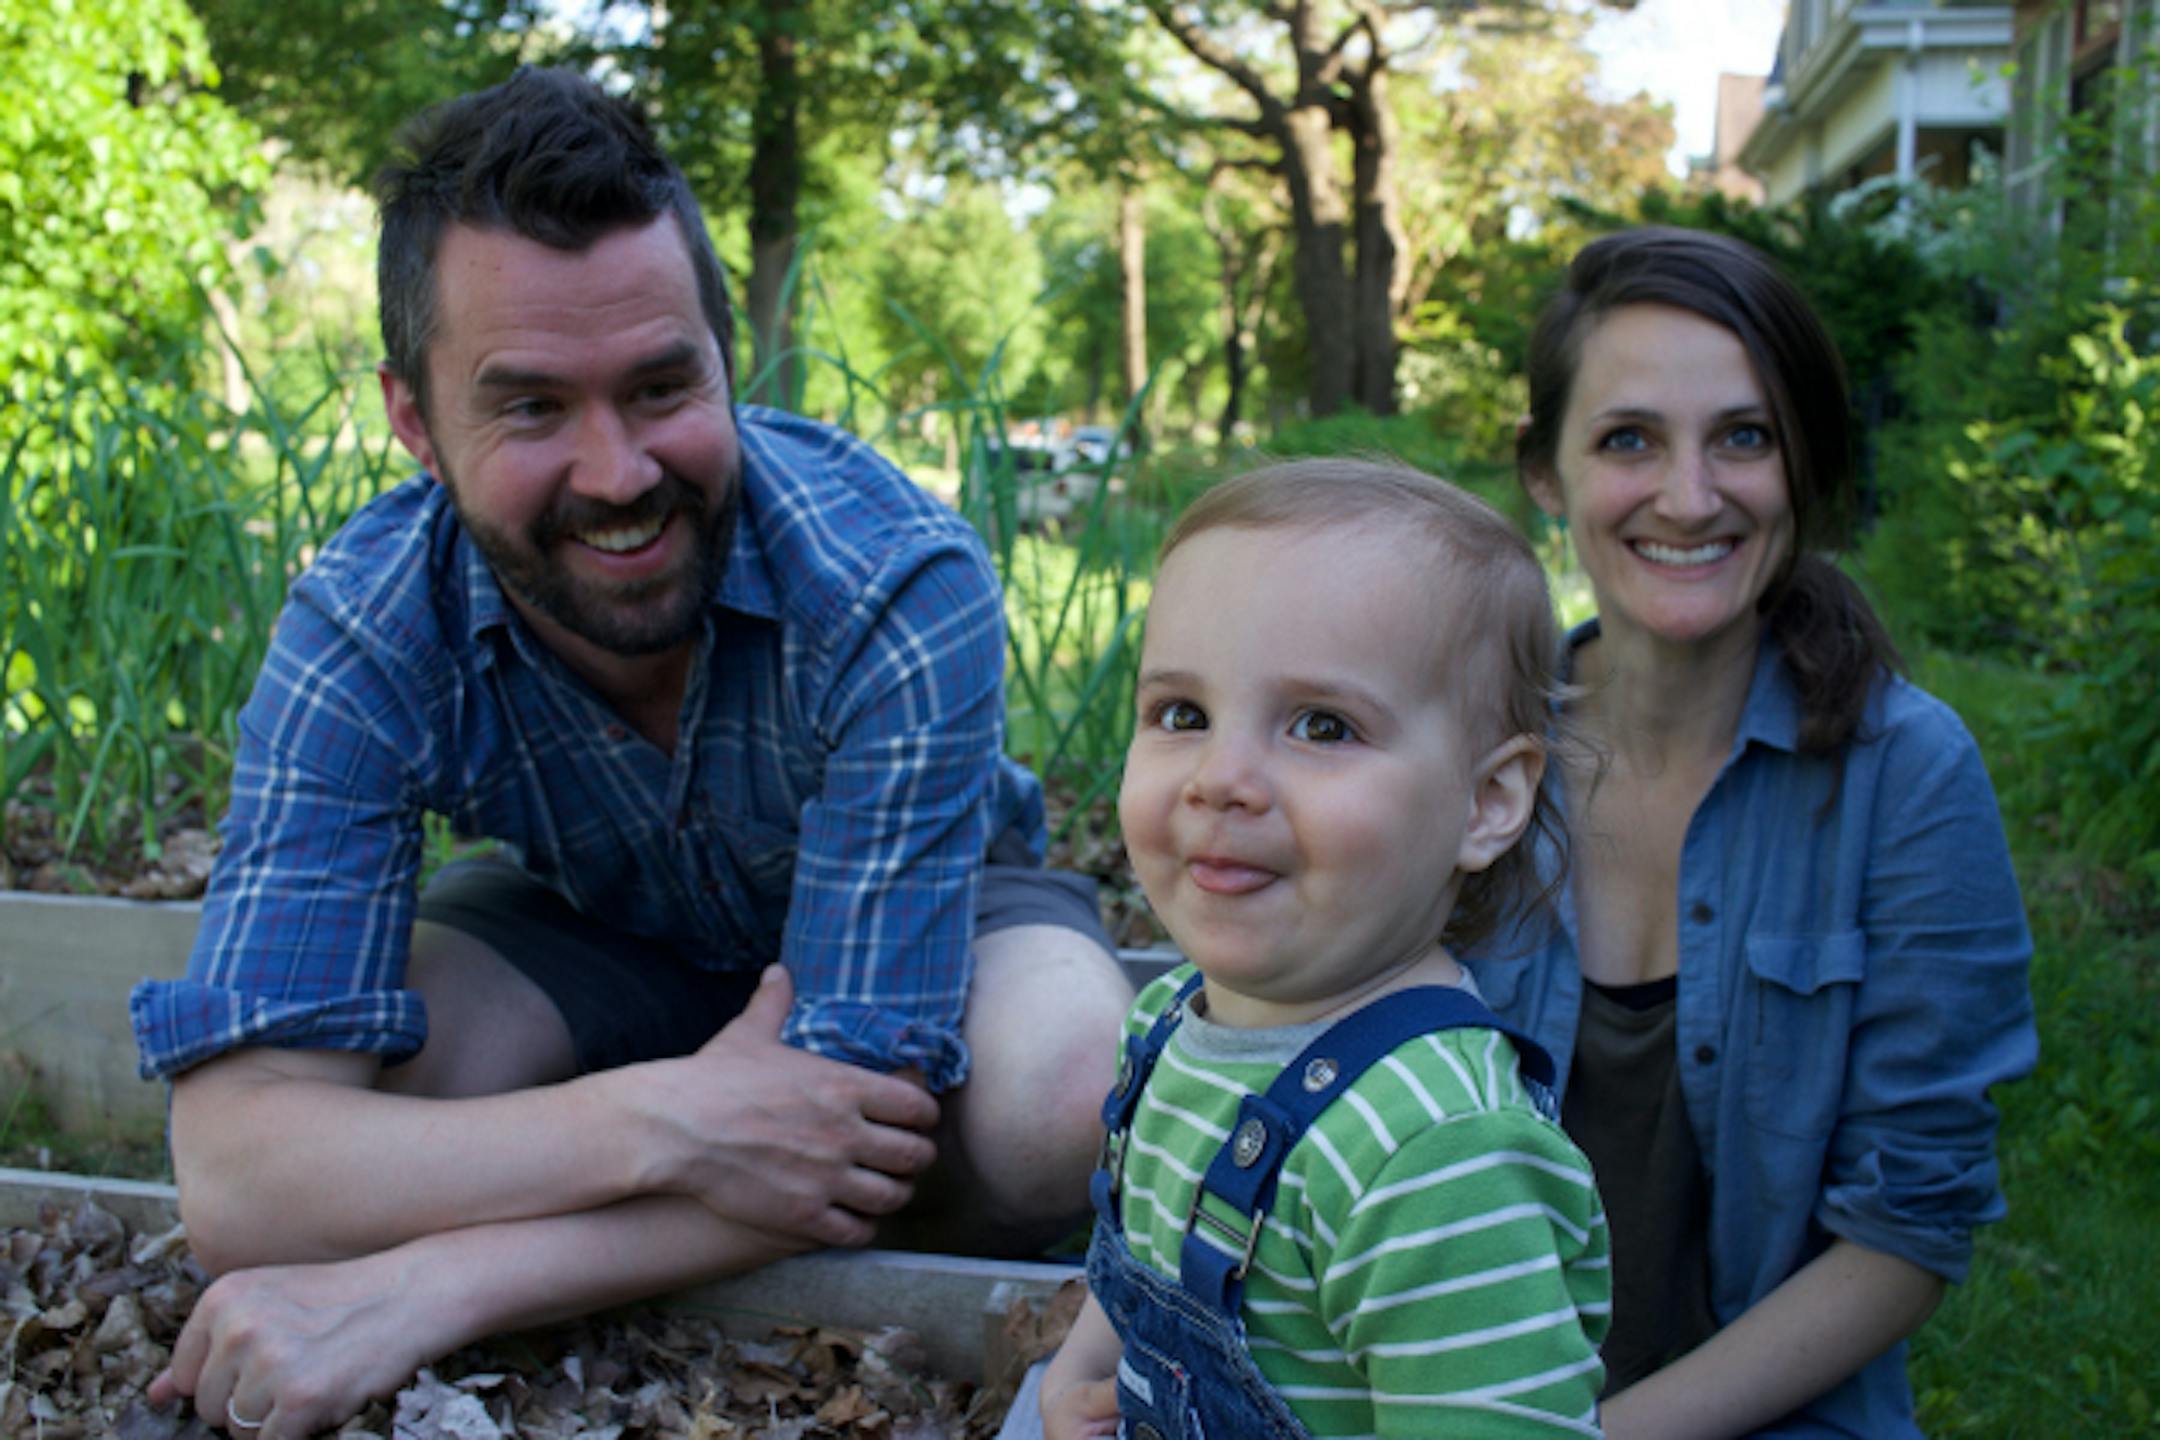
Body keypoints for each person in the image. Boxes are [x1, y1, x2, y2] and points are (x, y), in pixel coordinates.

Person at [128, 66, 1132, 1438]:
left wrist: (433, 1282)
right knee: (380, 1099)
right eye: (531, 407)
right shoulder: (360, 634)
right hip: (586, 919)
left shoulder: (896, 583)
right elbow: (239, 1174)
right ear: (414, 420)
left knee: (1065, 1097)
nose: (616, 474)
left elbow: (851, 1112)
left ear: (729, 361)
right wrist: (675, 1119)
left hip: (950, 919)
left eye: (661, 386)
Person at [1466, 226, 2038, 1438]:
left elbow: (1908, 1227)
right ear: (1546, 473)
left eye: (1745, 436)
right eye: (1630, 439)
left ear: (1802, 465)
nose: (1690, 496)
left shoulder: (1910, 778)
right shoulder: (1460, 755)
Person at [1033, 460, 1613, 1440]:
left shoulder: (1434, 1154)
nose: (1222, 779)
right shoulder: (1172, 1018)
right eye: (1182, 715)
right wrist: (1080, 1373)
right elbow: (1140, 1249)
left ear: (1488, 802)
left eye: (1321, 726)